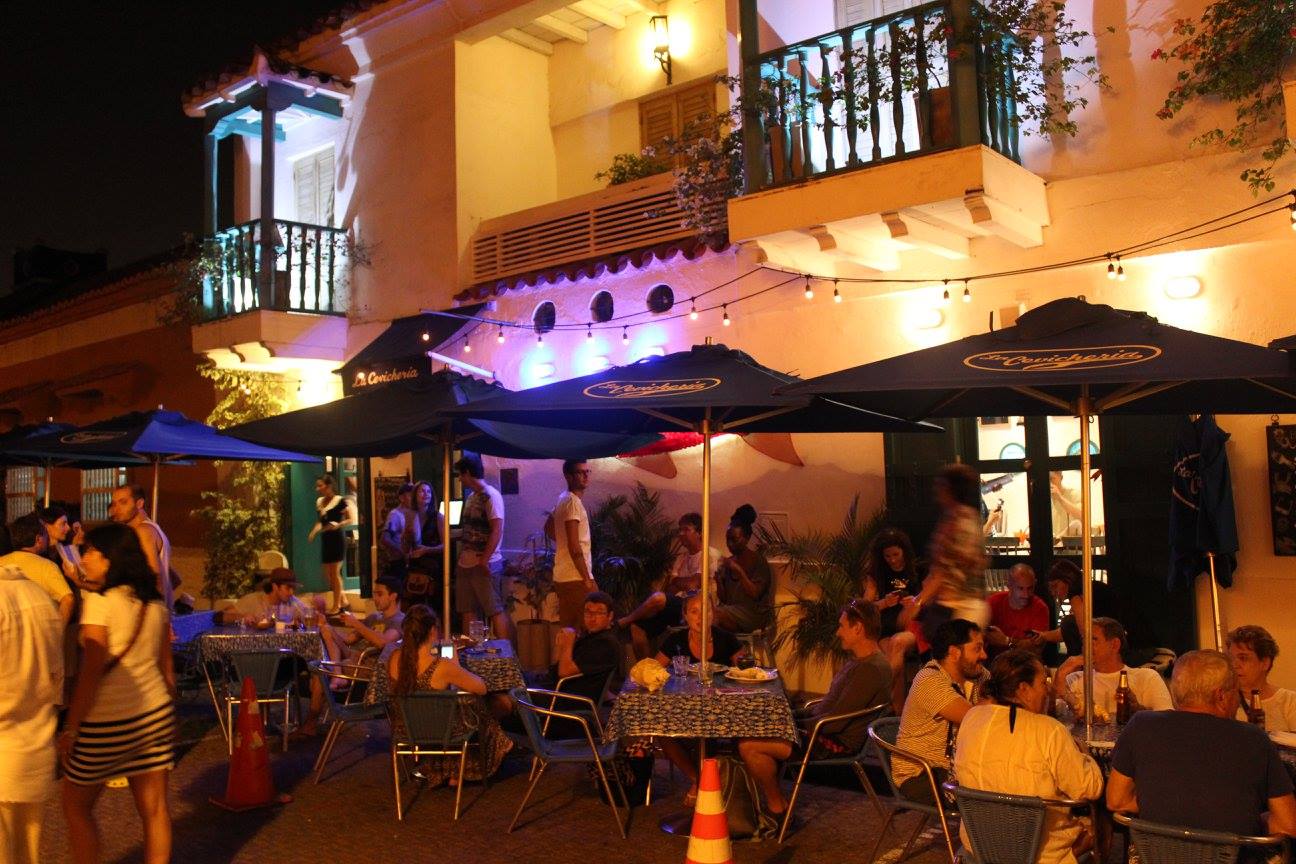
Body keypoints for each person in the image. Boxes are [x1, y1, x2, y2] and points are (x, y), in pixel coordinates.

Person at [59, 523, 176, 864]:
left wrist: (71, 727)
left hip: (106, 722)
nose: (86, 557)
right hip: (154, 714)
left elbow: (91, 672)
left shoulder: (99, 602)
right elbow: (165, 668)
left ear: (111, 559)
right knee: (154, 810)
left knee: (75, 806)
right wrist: (172, 714)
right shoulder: (153, 604)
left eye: (93, 551)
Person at [1107, 650, 1296, 840]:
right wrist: (1258, 819)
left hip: (1157, 855)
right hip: (1234, 857)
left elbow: (1116, 801)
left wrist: (1162, 804)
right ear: (1221, 696)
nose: (1238, 700)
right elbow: (1287, 826)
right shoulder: (1255, 739)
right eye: (1236, 692)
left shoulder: (1141, 725)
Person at [739, 598, 893, 822]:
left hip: (833, 742)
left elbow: (836, 722)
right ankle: (757, 805)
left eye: (842, 626)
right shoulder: (859, 661)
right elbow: (826, 707)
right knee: (751, 726)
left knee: (749, 745)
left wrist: (790, 724)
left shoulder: (870, 670)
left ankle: (777, 809)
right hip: (821, 730)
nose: (838, 633)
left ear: (858, 628)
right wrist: (788, 716)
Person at [954, 650, 1103, 864]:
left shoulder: (972, 717)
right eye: (1043, 683)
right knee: (1100, 821)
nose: (1048, 689)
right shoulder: (1049, 730)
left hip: (979, 844)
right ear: (1023, 689)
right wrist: (1085, 754)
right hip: (1038, 852)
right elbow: (1088, 789)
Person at [386, 605, 511, 786]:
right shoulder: (442, 666)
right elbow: (481, 688)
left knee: (467, 708)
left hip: (406, 730)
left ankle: (447, 767)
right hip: (443, 732)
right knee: (495, 705)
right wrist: (454, 662)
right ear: (432, 631)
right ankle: (464, 767)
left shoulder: (394, 658)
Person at [0, 563, 63, 864]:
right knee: (29, 851)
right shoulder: (41, 596)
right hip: (37, 745)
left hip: (4, 747)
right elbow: (56, 676)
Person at [893, 618, 989, 804]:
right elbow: (975, 720)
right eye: (977, 649)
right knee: (992, 791)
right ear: (954, 652)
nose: (984, 655)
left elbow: (1003, 703)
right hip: (922, 774)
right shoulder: (929, 679)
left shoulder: (978, 675)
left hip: (959, 767)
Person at [903, 464, 990, 643]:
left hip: (962, 607)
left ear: (950, 489)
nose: (936, 491)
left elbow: (944, 570)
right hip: (958, 604)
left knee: (954, 660)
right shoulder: (962, 517)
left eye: (940, 485)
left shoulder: (959, 521)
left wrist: (917, 603)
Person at [617, 512, 720, 659]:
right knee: (637, 629)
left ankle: (625, 620)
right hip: (677, 607)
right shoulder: (681, 558)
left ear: (700, 533)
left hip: (696, 606)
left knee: (658, 598)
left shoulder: (710, 554)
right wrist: (680, 583)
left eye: (686, 529)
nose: (681, 534)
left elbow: (694, 584)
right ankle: (649, 670)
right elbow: (670, 589)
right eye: (680, 530)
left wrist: (678, 582)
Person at [1053, 617, 1172, 719]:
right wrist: (1060, 675)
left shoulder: (1146, 678)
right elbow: (1055, 715)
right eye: (1084, 641)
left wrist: (1137, 709)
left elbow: (1166, 720)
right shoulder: (1074, 679)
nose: (1085, 647)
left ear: (1115, 645)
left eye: (1093, 641)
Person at [860, 528, 923, 714]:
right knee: (891, 650)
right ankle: (898, 713)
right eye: (887, 556)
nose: (893, 560)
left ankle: (878, 694)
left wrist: (913, 603)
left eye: (896, 554)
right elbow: (865, 607)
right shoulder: (877, 574)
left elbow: (927, 601)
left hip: (912, 628)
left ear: (904, 551)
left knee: (897, 644)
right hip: (886, 628)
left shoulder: (918, 569)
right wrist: (884, 603)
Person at [454, 454, 511, 643]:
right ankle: (470, 650)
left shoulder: (491, 496)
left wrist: (485, 559)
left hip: (484, 562)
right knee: (466, 609)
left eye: (461, 475)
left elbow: (497, 528)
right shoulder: (471, 497)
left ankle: (506, 655)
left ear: (468, 473)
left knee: (493, 608)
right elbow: (469, 528)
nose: (460, 480)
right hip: (466, 563)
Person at [319, 574, 405, 674]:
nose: (375, 599)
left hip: (373, 667)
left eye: (380, 594)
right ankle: (336, 675)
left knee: (323, 670)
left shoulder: (400, 620)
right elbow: (349, 639)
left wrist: (356, 623)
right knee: (326, 630)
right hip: (355, 659)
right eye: (374, 594)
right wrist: (326, 624)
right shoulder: (374, 617)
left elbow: (382, 642)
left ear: (393, 596)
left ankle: (336, 675)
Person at [1034, 560, 1120, 658]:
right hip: (1114, 637)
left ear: (1068, 578)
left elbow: (1084, 632)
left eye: (1055, 586)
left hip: (1107, 642)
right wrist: (1044, 635)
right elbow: (1068, 631)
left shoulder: (1076, 594)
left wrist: (1077, 661)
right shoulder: (1089, 587)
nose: (1054, 593)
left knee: (1068, 622)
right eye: (1051, 589)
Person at [108, 483, 174, 612]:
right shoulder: (153, 528)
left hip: (148, 615)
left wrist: (149, 614)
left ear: (139, 504)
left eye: (123, 502)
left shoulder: (143, 532)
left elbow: (154, 577)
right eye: (114, 504)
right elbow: (174, 578)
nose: (116, 509)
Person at [0, 513, 73, 625]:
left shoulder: (2, 561)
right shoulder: (47, 566)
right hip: (37, 630)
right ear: (38, 539)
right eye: (45, 534)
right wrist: (57, 631)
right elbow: (68, 599)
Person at [553, 591, 622, 706]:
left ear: (610, 616)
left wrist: (568, 642)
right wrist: (561, 644)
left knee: (515, 698)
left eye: (599, 613)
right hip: (556, 690)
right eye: (588, 612)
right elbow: (557, 663)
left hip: (565, 700)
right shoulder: (590, 636)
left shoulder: (605, 644)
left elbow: (564, 672)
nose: (592, 618)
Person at [551, 459, 596, 630]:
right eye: (580, 472)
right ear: (568, 477)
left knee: (570, 630)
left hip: (562, 575)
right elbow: (574, 545)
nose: (585, 476)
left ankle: (565, 657)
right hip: (576, 576)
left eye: (587, 472)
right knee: (592, 625)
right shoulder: (572, 503)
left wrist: (563, 541)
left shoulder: (563, 499)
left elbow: (549, 527)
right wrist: (586, 578)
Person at [714, 504, 773, 633]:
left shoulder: (758, 561)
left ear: (746, 538)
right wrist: (718, 580)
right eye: (727, 540)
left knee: (712, 614)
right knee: (702, 612)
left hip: (753, 614)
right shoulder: (728, 563)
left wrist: (739, 571)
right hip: (731, 611)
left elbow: (755, 593)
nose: (730, 544)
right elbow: (725, 599)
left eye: (734, 540)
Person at [1228, 625, 1296, 732]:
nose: (1234, 665)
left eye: (1243, 658)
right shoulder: (1223, 701)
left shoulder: (1290, 702)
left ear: (1265, 663)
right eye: (1230, 658)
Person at [307, 474, 356, 615]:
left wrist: (338, 524)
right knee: (327, 574)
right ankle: (344, 600)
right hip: (326, 539)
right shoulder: (320, 501)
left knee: (335, 573)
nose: (318, 489)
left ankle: (337, 606)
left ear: (328, 486)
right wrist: (314, 532)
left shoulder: (340, 500)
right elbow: (320, 522)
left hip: (336, 539)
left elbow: (350, 519)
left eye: (320, 485)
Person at [985, 563, 1050, 653]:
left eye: (1030, 588)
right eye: (1020, 588)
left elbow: (1036, 648)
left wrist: (1007, 641)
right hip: (994, 662)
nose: (1026, 595)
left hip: (1024, 662)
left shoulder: (1040, 608)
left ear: (1035, 584)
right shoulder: (993, 602)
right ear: (1009, 586)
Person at [403, 480, 446, 609]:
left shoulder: (438, 517)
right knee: (414, 604)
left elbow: (445, 546)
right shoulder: (410, 517)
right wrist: (406, 536)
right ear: (415, 495)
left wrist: (426, 550)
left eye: (428, 491)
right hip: (415, 566)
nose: (425, 494)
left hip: (432, 567)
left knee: (433, 605)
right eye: (422, 491)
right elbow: (405, 548)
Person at [378, 481, 418, 579]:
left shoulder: (415, 513)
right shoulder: (395, 515)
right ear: (402, 498)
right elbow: (385, 539)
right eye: (410, 495)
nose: (414, 497)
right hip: (400, 562)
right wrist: (402, 552)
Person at [38, 504, 83, 584]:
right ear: (47, 526)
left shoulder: (64, 548)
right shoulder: (40, 553)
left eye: (67, 523)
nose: (68, 528)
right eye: (63, 524)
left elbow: (78, 575)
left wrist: (74, 548)